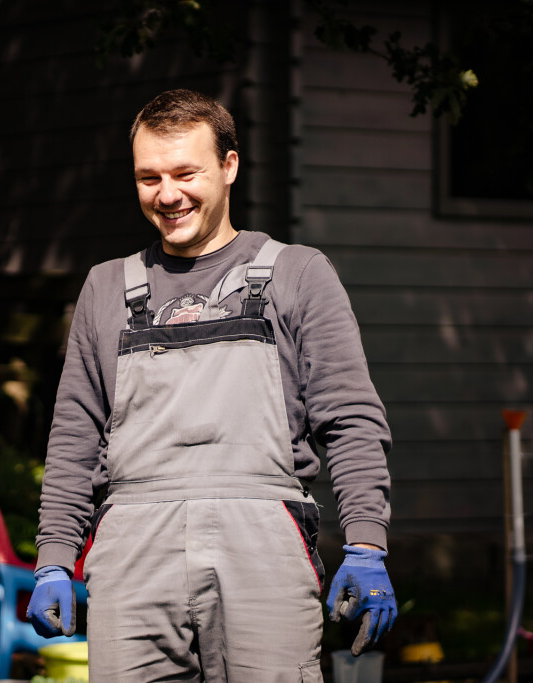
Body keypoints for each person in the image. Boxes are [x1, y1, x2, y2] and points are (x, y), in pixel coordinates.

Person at [26, 89, 397, 682]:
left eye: (184, 173)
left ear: (229, 166)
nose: (167, 194)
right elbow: (74, 435)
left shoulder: (298, 273)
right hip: (131, 553)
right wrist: (53, 560)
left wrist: (365, 544)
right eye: (149, 177)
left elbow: (350, 419)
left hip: (263, 551)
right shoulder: (105, 287)